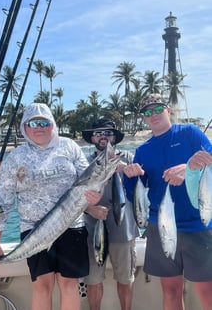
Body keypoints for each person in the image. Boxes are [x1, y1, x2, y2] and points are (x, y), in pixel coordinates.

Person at [0, 102, 95, 310]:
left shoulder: (69, 146)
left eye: (44, 122)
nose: (39, 127)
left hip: (71, 227)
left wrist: (95, 195)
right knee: (42, 285)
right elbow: (3, 201)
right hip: (33, 231)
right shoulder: (16, 156)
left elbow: (88, 178)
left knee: (69, 283)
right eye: (33, 123)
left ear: (52, 124)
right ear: (24, 127)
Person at [123, 93, 212, 310]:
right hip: (160, 225)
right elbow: (134, 193)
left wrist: (188, 167)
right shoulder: (142, 150)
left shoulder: (190, 133)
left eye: (157, 109)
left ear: (168, 110)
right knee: (170, 290)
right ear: (143, 118)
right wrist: (129, 176)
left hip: (197, 224)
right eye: (147, 112)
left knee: (207, 290)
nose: (153, 115)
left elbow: (209, 160)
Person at [82, 118, 139, 310]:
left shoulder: (129, 158)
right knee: (93, 281)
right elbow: (74, 200)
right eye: (98, 133)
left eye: (108, 132)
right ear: (92, 138)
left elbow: (143, 184)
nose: (103, 136)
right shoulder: (84, 163)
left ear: (114, 137)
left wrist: (134, 170)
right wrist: (91, 209)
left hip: (124, 230)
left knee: (125, 279)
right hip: (92, 230)